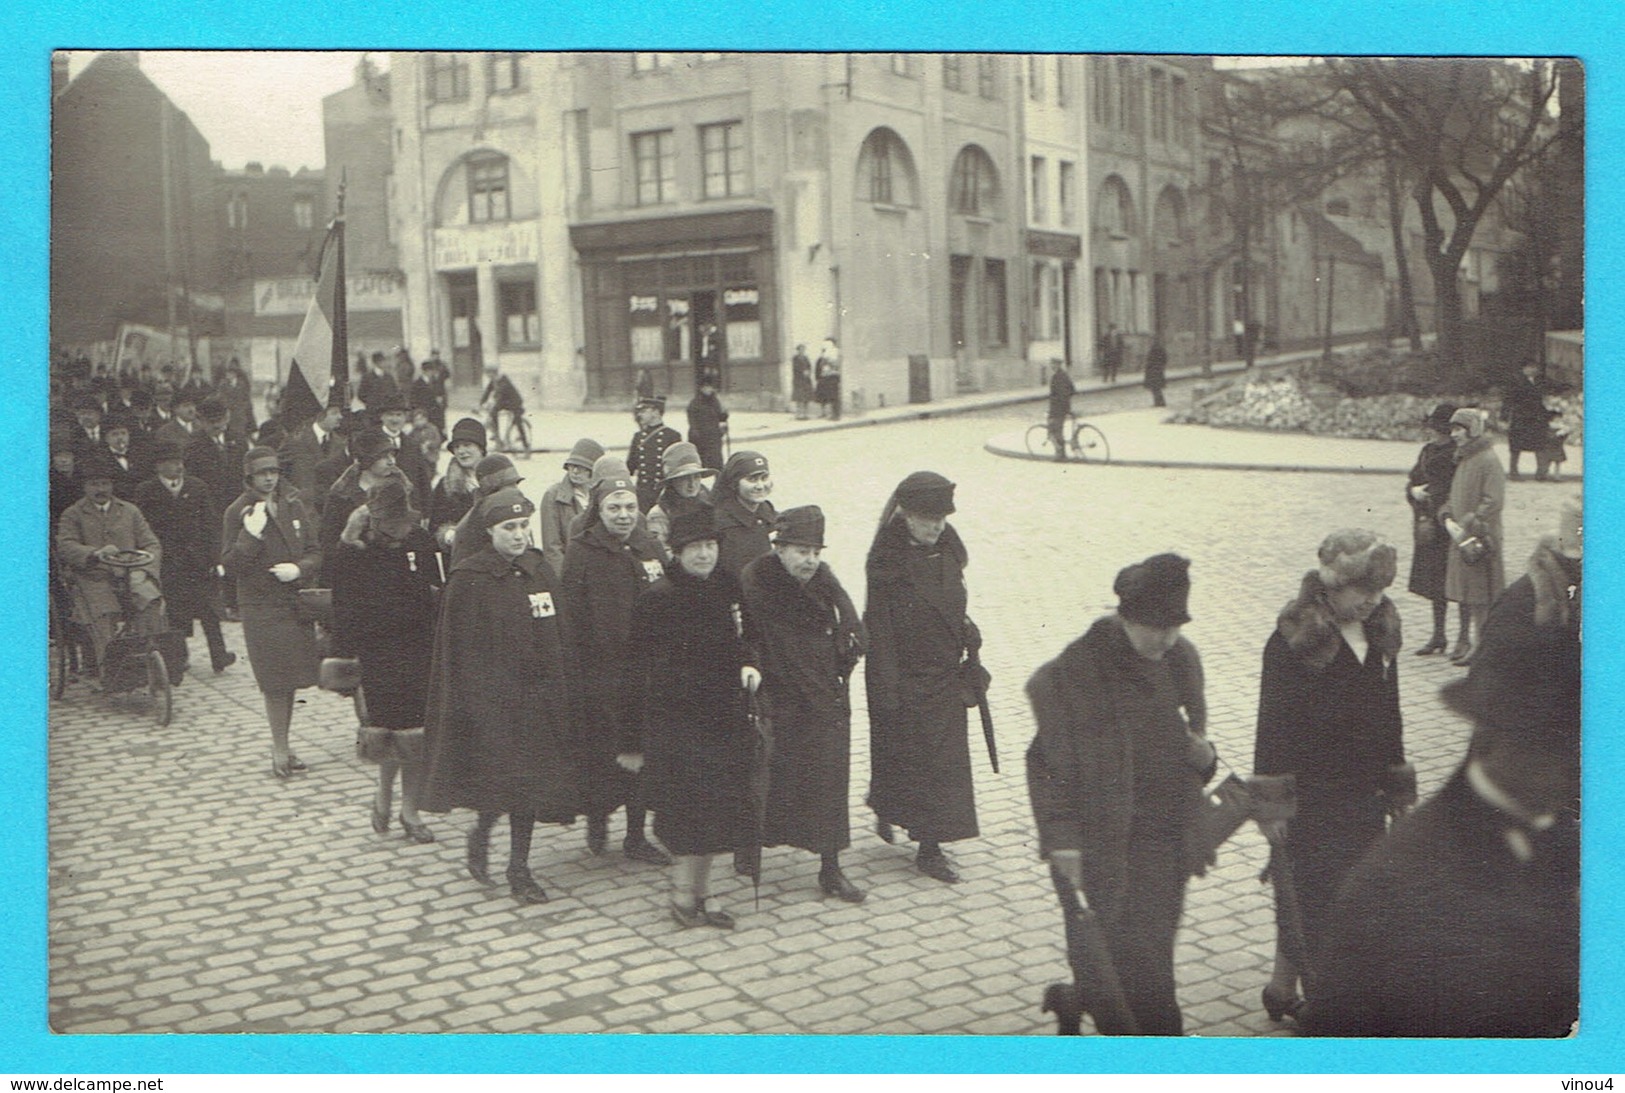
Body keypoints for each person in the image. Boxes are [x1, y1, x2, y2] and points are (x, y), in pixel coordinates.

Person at [1304, 499, 1580, 1037]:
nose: (1575, 772)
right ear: (1508, 739)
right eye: (1564, 751)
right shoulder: (1399, 880)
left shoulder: (1555, 845)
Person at [1026, 553, 1211, 1036]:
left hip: (1164, 842)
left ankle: (1076, 1000)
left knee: (1142, 956)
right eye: (1156, 628)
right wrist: (1063, 839)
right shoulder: (1076, 672)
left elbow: (1192, 745)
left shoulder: (1180, 660)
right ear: (1125, 617)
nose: (1168, 639)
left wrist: (1203, 757)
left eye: (1176, 627)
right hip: (1103, 843)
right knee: (1138, 972)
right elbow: (1047, 764)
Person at [1253, 529, 1407, 1023]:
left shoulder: (1381, 629)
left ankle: (1281, 989)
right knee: (1309, 893)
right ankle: (1326, 1002)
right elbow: (1271, 725)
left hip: (1364, 792)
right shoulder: (1293, 639)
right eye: (1363, 590)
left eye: (1380, 590)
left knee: (1352, 889)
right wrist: (1271, 805)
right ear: (1332, 585)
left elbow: (1391, 710)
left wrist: (1397, 779)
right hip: (1311, 794)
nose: (1373, 601)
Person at [420, 488, 582, 905]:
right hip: (494, 704)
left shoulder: (538, 569)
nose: (519, 535)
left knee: (527, 786)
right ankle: (483, 832)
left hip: (539, 701)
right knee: (502, 784)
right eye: (509, 528)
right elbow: (461, 655)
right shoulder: (470, 580)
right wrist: (478, 707)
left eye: (524, 526)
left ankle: (518, 868)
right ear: (488, 531)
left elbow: (560, 632)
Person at [623, 509, 760, 930]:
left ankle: (705, 890)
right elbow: (634, 672)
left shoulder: (728, 586)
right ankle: (683, 890)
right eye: (695, 548)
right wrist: (630, 741)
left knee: (718, 808)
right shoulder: (658, 598)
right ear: (677, 551)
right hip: (677, 723)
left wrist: (749, 664)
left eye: (710, 546)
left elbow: (747, 637)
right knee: (688, 810)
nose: (704, 555)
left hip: (723, 716)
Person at [740, 506, 869, 902]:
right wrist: (750, 665)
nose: (810, 560)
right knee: (765, 774)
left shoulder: (824, 577)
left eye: (815, 551)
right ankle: (749, 852)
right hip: (777, 696)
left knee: (829, 779)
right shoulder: (756, 580)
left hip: (821, 695)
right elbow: (745, 634)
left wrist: (848, 647)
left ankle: (830, 868)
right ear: (779, 549)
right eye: (801, 551)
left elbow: (851, 621)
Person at [864, 472, 982, 883]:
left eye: (942, 519)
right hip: (905, 676)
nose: (937, 526)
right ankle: (896, 816)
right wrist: (888, 688)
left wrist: (966, 627)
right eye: (928, 519)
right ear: (906, 516)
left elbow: (951, 599)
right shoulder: (886, 562)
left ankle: (930, 845)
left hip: (946, 675)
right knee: (908, 757)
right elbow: (878, 630)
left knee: (941, 765)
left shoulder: (948, 548)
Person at [559, 464, 672, 865]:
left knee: (643, 753)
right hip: (601, 674)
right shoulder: (582, 551)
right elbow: (570, 618)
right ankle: (596, 818)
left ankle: (636, 835)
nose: (623, 515)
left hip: (647, 673)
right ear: (598, 511)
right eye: (614, 508)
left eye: (629, 507)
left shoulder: (649, 547)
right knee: (602, 753)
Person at [331, 473, 442, 845]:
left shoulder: (419, 540)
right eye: (394, 523)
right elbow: (343, 609)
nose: (401, 530)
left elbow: (437, 588)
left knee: (415, 735)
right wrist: (345, 660)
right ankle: (383, 792)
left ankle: (409, 811)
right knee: (388, 733)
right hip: (379, 656)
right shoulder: (354, 552)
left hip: (418, 651)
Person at [220, 448, 324, 779]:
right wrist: (249, 535)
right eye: (262, 473)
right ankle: (280, 748)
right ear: (249, 478)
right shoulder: (237, 511)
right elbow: (230, 565)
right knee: (274, 680)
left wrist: (299, 568)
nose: (269, 478)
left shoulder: (292, 504)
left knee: (290, 678)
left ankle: (285, 744)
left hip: (293, 604)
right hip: (261, 607)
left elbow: (314, 551)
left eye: (274, 472)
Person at [55, 452, 166, 675]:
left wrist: (143, 570)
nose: (100, 489)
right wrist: (95, 553)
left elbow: (152, 544)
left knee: (152, 600)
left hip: (132, 575)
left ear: (112, 485)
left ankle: (151, 660)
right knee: (104, 612)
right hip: (92, 578)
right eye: (94, 484)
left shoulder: (130, 511)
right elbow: (65, 546)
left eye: (105, 483)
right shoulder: (73, 514)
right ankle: (110, 667)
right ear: (85, 487)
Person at [131, 440, 236, 674]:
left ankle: (219, 655)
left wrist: (214, 557)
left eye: (179, 462)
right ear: (158, 466)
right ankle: (179, 658)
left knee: (210, 610)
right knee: (176, 612)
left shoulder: (197, 487)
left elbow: (210, 524)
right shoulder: (146, 491)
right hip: (168, 562)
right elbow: (141, 529)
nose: (178, 467)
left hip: (198, 561)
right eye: (171, 463)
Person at [1438, 407, 1507, 664]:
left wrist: (1469, 521)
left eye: (1459, 429)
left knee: (1481, 598)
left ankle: (1484, 649)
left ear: (1472, 430)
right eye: (1453, 429)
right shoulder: (1465, 458)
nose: (1454, 434)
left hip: (1480, 539)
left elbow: (1493, 501)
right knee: (1468, 594)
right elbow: (1456, 494)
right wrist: (1447, 513)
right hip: (1462, 539)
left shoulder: (1488, 459)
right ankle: (1478, 648)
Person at [1406, 403, 1462, 656]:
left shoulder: (1457, 453)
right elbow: (1414, 479)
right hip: (1427, 524)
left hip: (1448, 523)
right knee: (1434, 583)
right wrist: (1413, 492)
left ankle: (1463, 637)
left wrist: (1431, 496)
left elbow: (1456, 488)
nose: (1432, 432)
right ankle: (1438, 635)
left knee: (1459, 582)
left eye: (1437, 427)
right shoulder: (1427, 450)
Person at [321, 429, 400, 559]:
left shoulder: (399, 490)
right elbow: (328, 546)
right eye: (383, 457)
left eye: (392, 455)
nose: (392, 462)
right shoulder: (341, 497)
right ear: (367, 459)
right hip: (356, 570)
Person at [539, 438, 605, 578]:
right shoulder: (553, 496)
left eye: (582, 467)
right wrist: (565, 580)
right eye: (571, 466)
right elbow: (552, 548)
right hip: (571, 573)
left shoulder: (602, 495)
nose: (575, 471)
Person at [447, 454, 526, 568]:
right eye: (508, 487)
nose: (515, 491)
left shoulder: (516, 514)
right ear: (492, 491)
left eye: (515, 484)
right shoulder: (472, 524)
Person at [712, 450, 777, 578]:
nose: (760, 486)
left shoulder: (768, 512)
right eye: (752, 479)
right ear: (734, 483)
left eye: (764, 478)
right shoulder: (720, 521)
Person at [429, 418, 488, 555]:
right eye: (457, 447)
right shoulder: (445, 486)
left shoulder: (498, 480)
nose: (461, 451)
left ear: (481, 448)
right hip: (460, 557)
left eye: (467, 445)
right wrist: (448, 535)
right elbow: (435, 527)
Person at [645, 442, 715, 556]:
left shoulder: (708, 504)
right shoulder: (660, 514)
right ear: (672, 481)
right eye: (685, 478)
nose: (692, 484)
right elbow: (661, 552)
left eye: (696, 477)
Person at [375, 391, 434, 504]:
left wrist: (425, 513)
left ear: (405, 417)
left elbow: (423, 481)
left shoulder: (412, 444)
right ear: (382, 416)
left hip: (407, 509)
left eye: (399, 415)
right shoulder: (372, 442)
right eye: (390, 414)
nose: (395, 419)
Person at [281, 403, 347, 500]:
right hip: (303, 504)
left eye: (340, 412)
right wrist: (290, 493)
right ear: (320, 416)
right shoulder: (296, 440)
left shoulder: (340, 443)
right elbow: (279, 469)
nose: (340, 417)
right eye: (334, 413)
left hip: (329, 505)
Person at [1499, 360, 1551, 481]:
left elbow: (1542, 400)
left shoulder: (1540, 381)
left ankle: (1541, 473)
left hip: (1537, 418)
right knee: (1516, 446)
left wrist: (1548, 415)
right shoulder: (1516, 382)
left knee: (1540, 445)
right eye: (1530, 367)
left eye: (1535, 367)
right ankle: (1514, 472)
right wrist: (1504, 417)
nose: (1534, 369)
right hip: (1521, 418)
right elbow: (1508, 400)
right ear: (1524, 369)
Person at [627, 396, 681, 513]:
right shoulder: (638, 437)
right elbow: (630, 466)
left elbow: (678, 469)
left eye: (644, 411)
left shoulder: (672, 436)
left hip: (664, 493)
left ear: (656, 412)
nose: (640, 415)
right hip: (643, 493)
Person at [686, 372, 730, 473]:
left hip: (714, 437)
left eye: (711, 387)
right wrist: (695, 432)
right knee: (701, 463)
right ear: (701, 388)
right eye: (706, 387)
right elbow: (692, 420)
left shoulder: (715, 401)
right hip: (700, 438)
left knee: (717, 463)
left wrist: (724, 415)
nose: (709, 390)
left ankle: (719, 483)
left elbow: (720, 417)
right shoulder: (695, 403)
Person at [479, 366, 526, 454]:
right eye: (487, 375)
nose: (489, 377)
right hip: (505, 403)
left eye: (489, 375)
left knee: (518, 422)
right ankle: (497, 436)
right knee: (493, 413)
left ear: (494, 373)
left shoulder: (504, 381)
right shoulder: (493, 381)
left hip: (515, 403)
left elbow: (500, 395)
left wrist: (493, 404)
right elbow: (487, 392)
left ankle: (525, 445)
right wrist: (481, 403)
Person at [1046, 360, 1075, 461]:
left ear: (1058, 365)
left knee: (1055, 430)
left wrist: (1059, 406)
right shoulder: (1064, 375)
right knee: (1058, 430)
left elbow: (1061, 394)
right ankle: (1061, 453)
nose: (1052, 366)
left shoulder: (1057, 377)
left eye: (1054, 364)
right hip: (1062, 407)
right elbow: (1072, 390)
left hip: (1058, 408)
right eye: (1051, 364)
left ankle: (1061, 455)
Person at [814, 338, 842, 420]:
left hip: (833, 375)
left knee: (834, 395)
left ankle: (836, 415)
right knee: (829, 395)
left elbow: (836, 365)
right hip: (826, 376)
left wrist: (828, 360)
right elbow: (821, 365)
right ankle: (832, 414)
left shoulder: (836, 352)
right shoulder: (826, 353)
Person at [791, 344, 815, 420]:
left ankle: (805, 414)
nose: (802, 351)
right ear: (798, 350)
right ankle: (798, 414)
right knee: (799, 398)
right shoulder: (795, 358)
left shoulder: (806, 358)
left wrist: (808, 372)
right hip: (798, 380)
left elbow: (809, 366)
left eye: (803, 349)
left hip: (806, 380)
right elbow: (795, 368)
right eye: (800, 349)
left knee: (806, 398)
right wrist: (802, 372)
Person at [1143, 338, 1168, 408]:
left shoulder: (1154, 350)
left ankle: (1159, 402)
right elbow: (1165, 359)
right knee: (1156, 388)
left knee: (1155, 388)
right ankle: (1159, 402)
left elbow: (1150, 360)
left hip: (1153, 371)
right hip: (1158, 371)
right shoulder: (1161, 349)